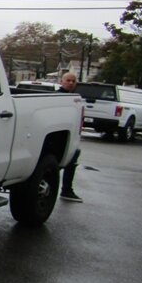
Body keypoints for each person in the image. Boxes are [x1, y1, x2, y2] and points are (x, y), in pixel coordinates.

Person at [58, 72, 83, 202]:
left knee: (73, 159)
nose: (71, 83)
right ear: (61, 81)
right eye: (68, 80)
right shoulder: (58, 97)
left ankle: (67, 190)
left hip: (69, 138)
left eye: (73, 81)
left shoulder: (74, 98)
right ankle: (66, 190)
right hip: (58, 139)